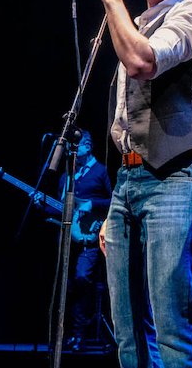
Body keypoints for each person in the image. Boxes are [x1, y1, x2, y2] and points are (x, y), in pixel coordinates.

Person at [95, 0, 192, 368]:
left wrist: (113, 3)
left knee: (171, 322)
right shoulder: (134, 24)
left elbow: (143, 63)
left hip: (177, 175)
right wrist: (117, 204)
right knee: (127, 331)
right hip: (128, 182)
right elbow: (123, 122)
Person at [57, 128, 113, 351]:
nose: (72, 149)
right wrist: (41, 201)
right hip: (67, 239)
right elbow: (60, 210)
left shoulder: (100, 172)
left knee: (81, 280)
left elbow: (114, 202)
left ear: (87, 146)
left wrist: (92, 205)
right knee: (65, 285)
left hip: (90, 239)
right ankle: (64, 335)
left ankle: (79, 334)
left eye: (76, 145)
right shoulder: (66, 175)